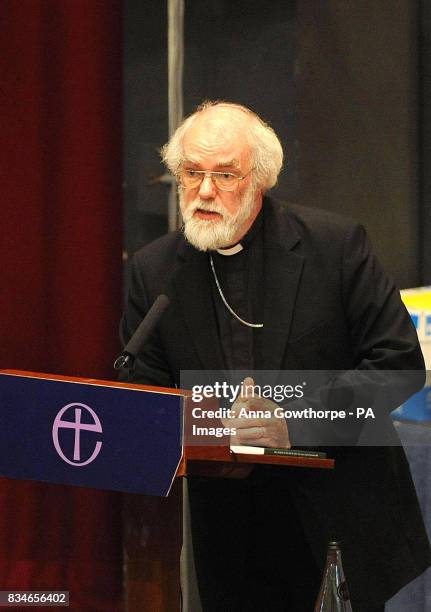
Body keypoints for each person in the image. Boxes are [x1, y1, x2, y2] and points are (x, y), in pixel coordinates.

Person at [120, 101, 431, 611]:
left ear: (261, 180)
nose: (203, 191)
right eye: (192, 173)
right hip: (229, 529)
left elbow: (397, 366)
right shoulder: (155, 272)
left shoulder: (335, 247)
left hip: (337, 513)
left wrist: (294, 421)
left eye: (225, 175)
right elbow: (146, 386)